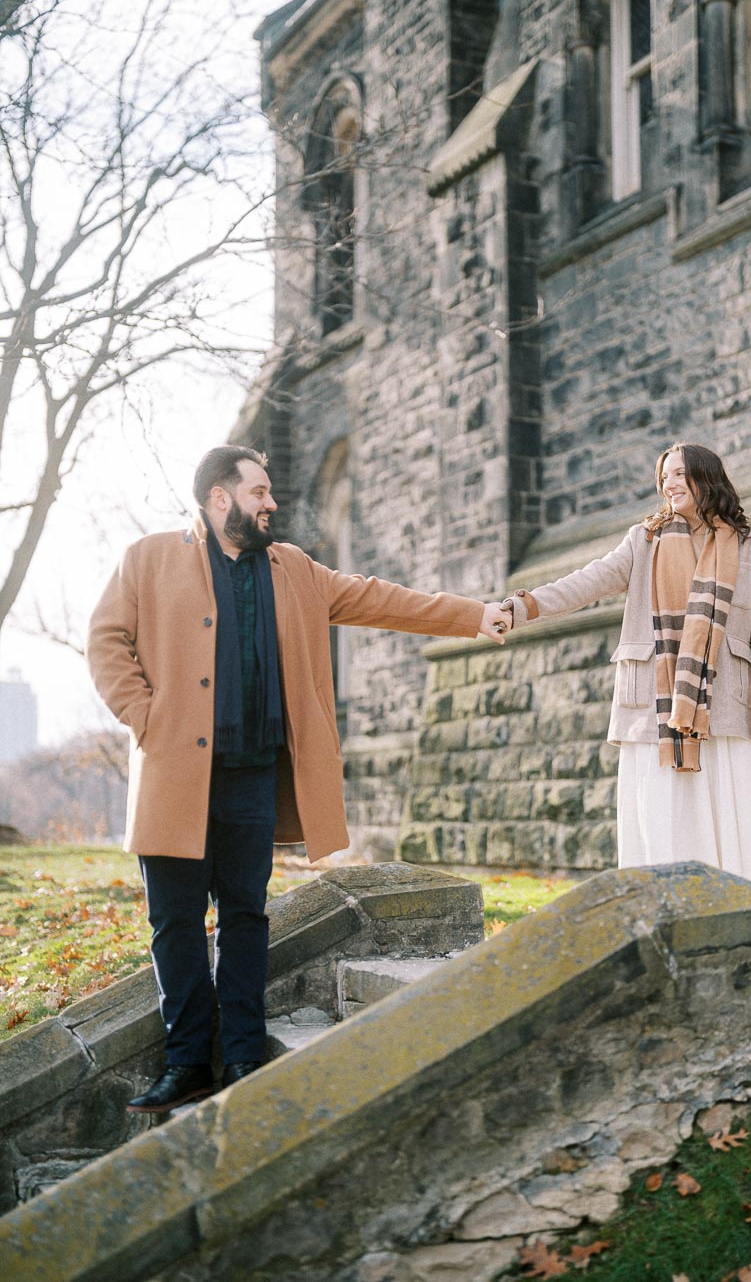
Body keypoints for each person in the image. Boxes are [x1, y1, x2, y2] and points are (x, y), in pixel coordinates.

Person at [87, 445, 512, 1114]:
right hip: (176, 775)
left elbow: (379, 599)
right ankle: (187, 1062)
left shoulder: (295, 571)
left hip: (253, 777)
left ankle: (247, 1057)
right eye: (259, 492)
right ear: (219, 498)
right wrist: (145, 719)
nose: (271, 503)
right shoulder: (149, 558)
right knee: (173, 924)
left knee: (246, 917)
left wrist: (470, 615)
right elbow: (106, 642)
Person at [501, 443, 751, 892]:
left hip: (721, 698)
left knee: (724, 805)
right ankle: (665, 906)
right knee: (662, 810)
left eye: (678, 475)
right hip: (654, 704)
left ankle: (735, 905)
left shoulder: (749, 543)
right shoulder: (645, 539)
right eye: (664, 477)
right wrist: (526, 606)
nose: (668, 484)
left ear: (705, 477)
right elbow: (588, 582)